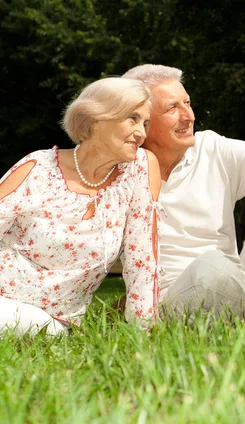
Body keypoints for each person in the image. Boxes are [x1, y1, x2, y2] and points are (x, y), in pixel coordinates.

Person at [120, 64, 245, 327]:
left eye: (188, 103)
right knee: (210, 266)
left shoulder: (211, 147)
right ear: (142, 120)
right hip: (173, 300)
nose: (188, 116)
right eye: (173, 108)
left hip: (242, 284)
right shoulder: (124, 168)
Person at [0, 77, 161, 336]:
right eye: (132, 119)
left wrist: (143, 334)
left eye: (145, 123)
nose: (141, 132)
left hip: (55, 322)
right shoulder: (38, 167)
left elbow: (142, 259)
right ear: (97, 119)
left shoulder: (138, 170)